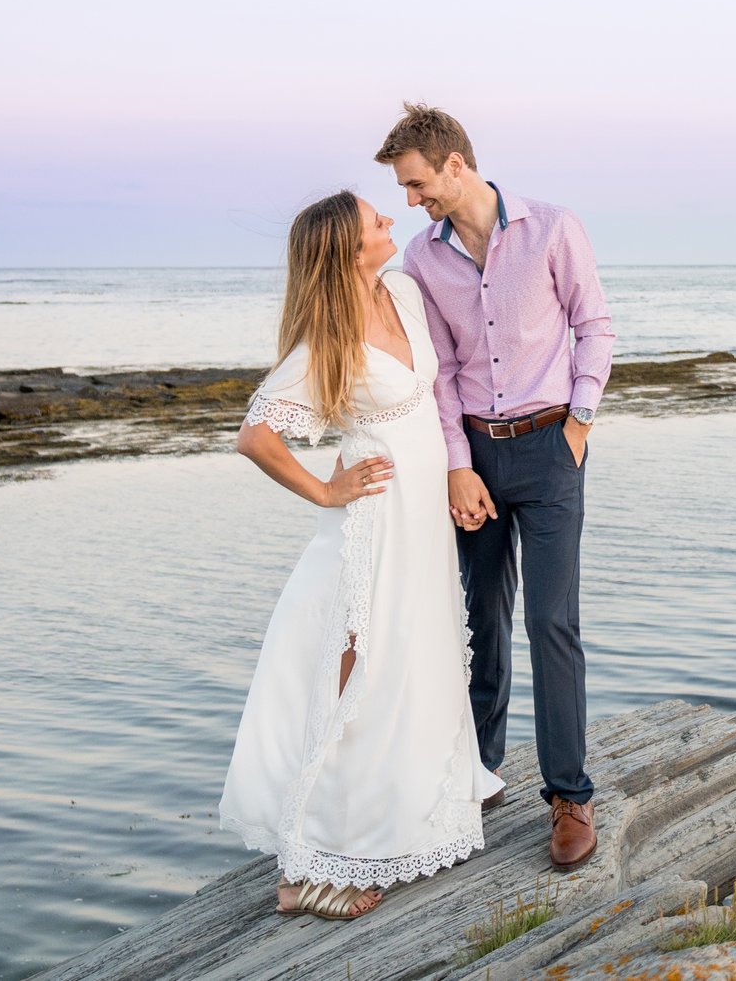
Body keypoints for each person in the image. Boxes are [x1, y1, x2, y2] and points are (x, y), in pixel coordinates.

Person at [217, 190, 503, 920]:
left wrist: (454, 473)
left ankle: (407, 808)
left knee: (413, 655)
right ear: (348, 248)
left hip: (422, 520)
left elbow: (433, 399)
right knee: (356, 665)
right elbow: (256, 433)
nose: (389, 222)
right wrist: (323, 488)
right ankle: (307, 863)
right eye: (376, 220)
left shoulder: (403, 288)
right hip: (372, 520)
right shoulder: (326, 344)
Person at [378, 103, 614, 870]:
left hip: (551, 450)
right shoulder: (421, 259)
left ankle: (570, 795)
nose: (412, 200)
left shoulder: (551, 228)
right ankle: (478, 775)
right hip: (475, 455)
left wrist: (577, 423)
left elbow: (595, 325)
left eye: (416, 183)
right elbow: (440, 369)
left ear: (453, 163)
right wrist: (456, 463)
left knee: (551, 621)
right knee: (480, 620)